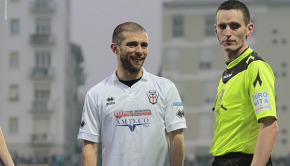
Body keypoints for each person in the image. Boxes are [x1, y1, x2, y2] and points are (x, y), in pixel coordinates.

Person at [78, 22, 186, 166]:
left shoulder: (166, 88)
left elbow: (176, 137)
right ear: (115, 49)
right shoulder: (96, 94)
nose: (140, 51)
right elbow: (90, 146)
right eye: (132, 44)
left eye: (144, 45)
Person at [210, 0, 279, 166]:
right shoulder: (227, 74)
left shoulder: (255, 68)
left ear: (249, 29)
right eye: (222, 27)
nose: (228, 32)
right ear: (215, 30)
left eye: (234, 26)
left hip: (243, 161)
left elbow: (270, 127)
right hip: (222, 160)